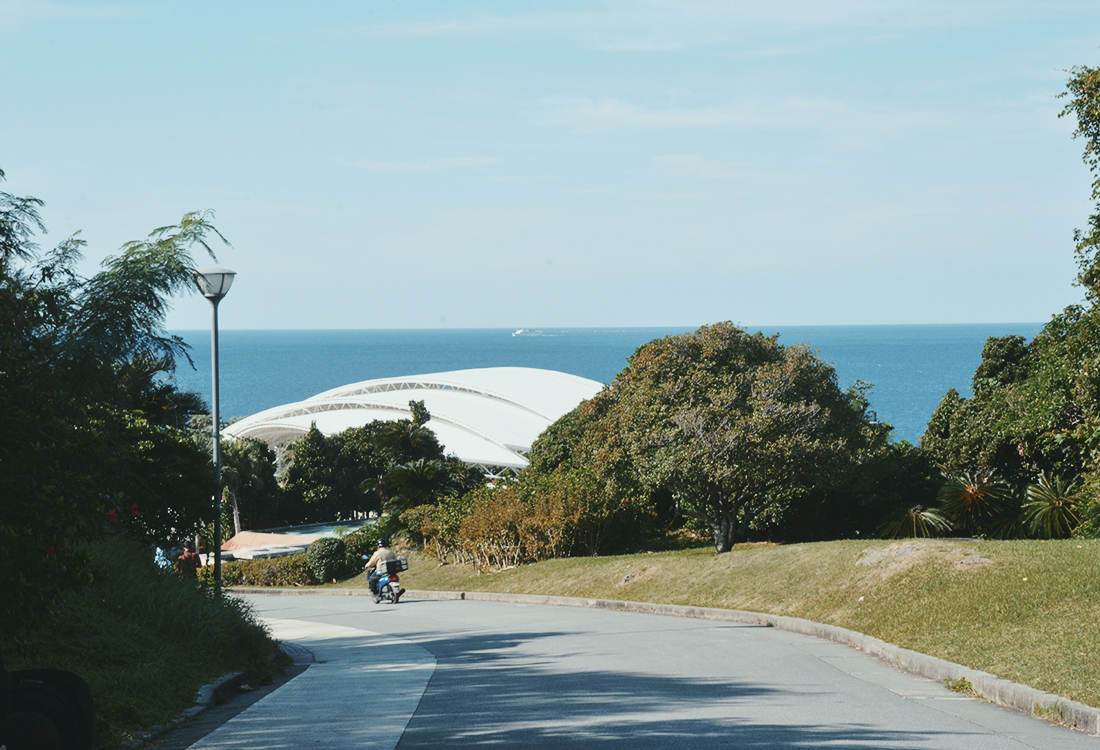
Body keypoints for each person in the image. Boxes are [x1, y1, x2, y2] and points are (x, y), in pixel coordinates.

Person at [363, 539, 398, 603]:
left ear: (378, 546)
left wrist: (366, 565)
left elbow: (371, 562)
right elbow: (395, 560)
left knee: (372, 579)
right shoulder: (391, 552)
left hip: (381, 572)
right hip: (391, 571)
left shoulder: (377, 553)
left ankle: (375, 593)